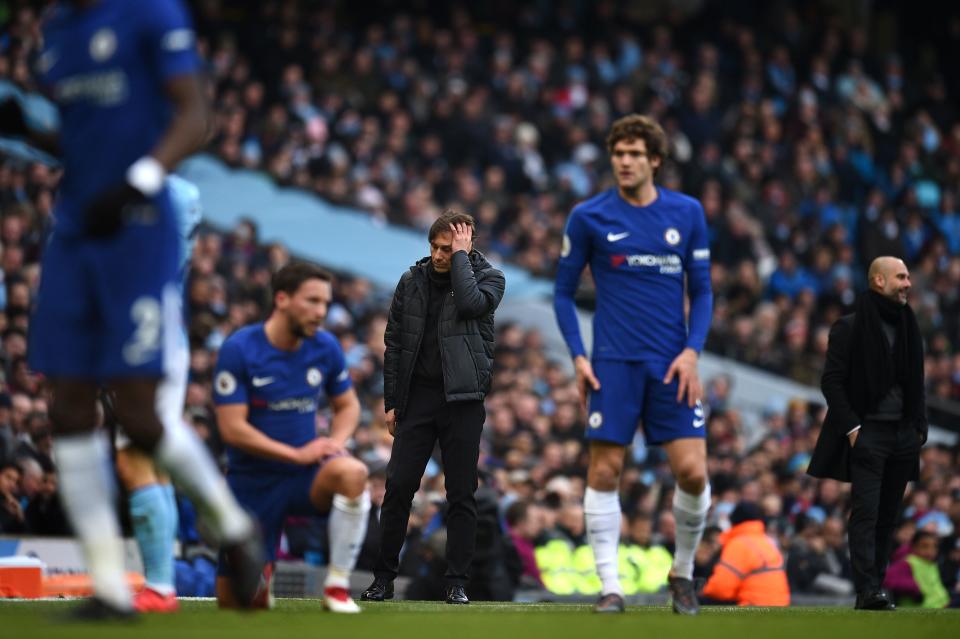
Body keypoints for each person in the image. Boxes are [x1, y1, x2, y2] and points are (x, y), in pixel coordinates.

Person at [7, 0, 261, 619]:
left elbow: (194, 113)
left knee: (139, 417)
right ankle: (110, 587)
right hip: (73, 229)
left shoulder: (149, 13)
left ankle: (234, 528)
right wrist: (29, 131)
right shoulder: (59, 32)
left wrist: (140, 181)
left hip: (139, 227)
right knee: (65, 403)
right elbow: (83, 138)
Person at [553, 114, 713, 614]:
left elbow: (703, 290)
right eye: (618, 153)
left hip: (671, 363)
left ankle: (682, 573)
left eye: (634, 154)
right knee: (604, 470)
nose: (624, 161)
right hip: (613, 362)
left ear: (655, 160)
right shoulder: (589, 216)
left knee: (692, 472)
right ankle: (610, 587)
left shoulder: (687, 213)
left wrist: (692, 351)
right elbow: (561, 293)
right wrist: (578, 357)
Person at [361, 210, 505, 605]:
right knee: (398, 487)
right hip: (419, 397)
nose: (440, 256)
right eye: (436, 248)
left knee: (461, 493)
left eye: (450, 249)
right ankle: (383, 578)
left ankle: (457, 582)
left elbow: (472, 303)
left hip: (463, 399)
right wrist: (392, 401)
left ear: (467, 246)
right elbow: (395, 343)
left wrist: (463, 259)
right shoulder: (412, 281)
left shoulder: (491, 278)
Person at [213, 262, 371, 613]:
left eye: (326, 304)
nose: (321, 312)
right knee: (240, 606)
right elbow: (232, 428)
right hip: (252, 483)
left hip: (306, 476)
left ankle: (337, 587)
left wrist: (336, 442)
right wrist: (294, 454)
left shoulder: (326, 347)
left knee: (352, 472)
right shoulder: (239, 349)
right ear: (282, 299)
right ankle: (259, 578)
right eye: (312, 301)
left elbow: (348, 406)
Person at [809, 256, 926, 611]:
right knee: (867, 513)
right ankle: (867, 589)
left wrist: (919, 430)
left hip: (904, 435)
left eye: (908, 277)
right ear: (878, 281)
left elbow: (916, 383)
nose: (908, 283)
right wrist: (854, 429)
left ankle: (877, 584)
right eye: (901, 277)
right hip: (870, 433)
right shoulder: (848, 327)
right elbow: (831, 381)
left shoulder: (909, 325)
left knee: (889, 517)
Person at [108, 175, 202, 613]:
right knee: (152, 463)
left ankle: (160, 587)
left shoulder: (158, 191)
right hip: (161, 329)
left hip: (145, 334)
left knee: (136, 459)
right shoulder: (181, 193)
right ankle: (159, 581)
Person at [700, 501, 789, 606]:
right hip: (780, 605)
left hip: (752, 605)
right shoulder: (766, 542)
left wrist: (701, 593)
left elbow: (720, 589)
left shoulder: (739, 544)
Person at [883, 530, 950, 608]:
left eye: (934, 546)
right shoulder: (908, 563)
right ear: (914, 547)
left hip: (940, 607)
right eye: (924, 546)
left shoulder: (932, 564)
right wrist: (913, 588)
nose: (930, 551)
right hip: (921, 607)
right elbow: (886, 579)